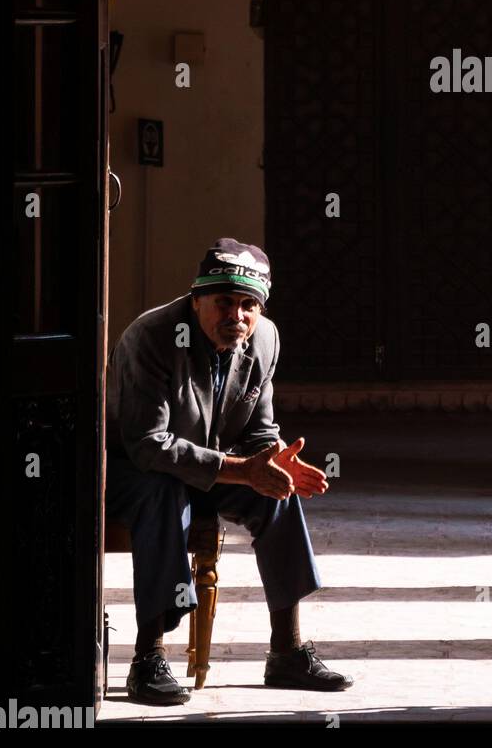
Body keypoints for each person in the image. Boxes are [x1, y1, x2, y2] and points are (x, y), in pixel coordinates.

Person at [105, 237, 354, 704]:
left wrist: (275, 459)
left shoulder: (265, 338)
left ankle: (288, 653)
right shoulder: (152, 336)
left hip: (210, 466)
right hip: (129, 470)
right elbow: (147, 446)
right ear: (196, 299)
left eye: (248, 305)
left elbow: (260, 429)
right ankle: (148, 658)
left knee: (276, 492)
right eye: (223, 302)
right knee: (162, 494)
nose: (236, 316)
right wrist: (243, 469)